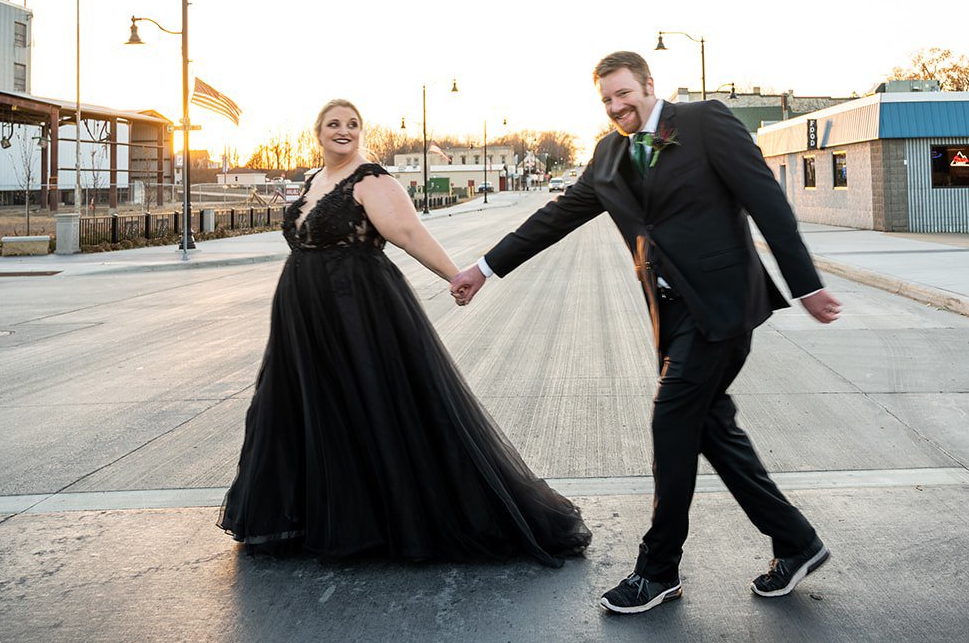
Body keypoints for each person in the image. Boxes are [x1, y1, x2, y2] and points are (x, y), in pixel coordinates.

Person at [450, 51, 841, 614]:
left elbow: (767, 203)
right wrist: (484, 269)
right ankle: (797, 541)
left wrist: (806, 286)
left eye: (623, 94)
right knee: (712, 430)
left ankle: (657, 570)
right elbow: (555, 217)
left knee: (671, 423)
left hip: (723, 306)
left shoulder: (705, 123)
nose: (616, 107)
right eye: (606, 99)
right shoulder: (608, 154)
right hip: (671, 315)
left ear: (649, 85)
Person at [219, 98, 590, 566]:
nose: (343, 130)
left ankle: (388, 521)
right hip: (302, 315)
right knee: (306, 408)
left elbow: (411, 235)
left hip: (357, 310)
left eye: (352, 124)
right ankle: (310, 519)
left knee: (370, 405)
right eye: (334, 123)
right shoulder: (314, 180)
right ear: (318, 132)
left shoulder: (371, 181)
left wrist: (456, 276)